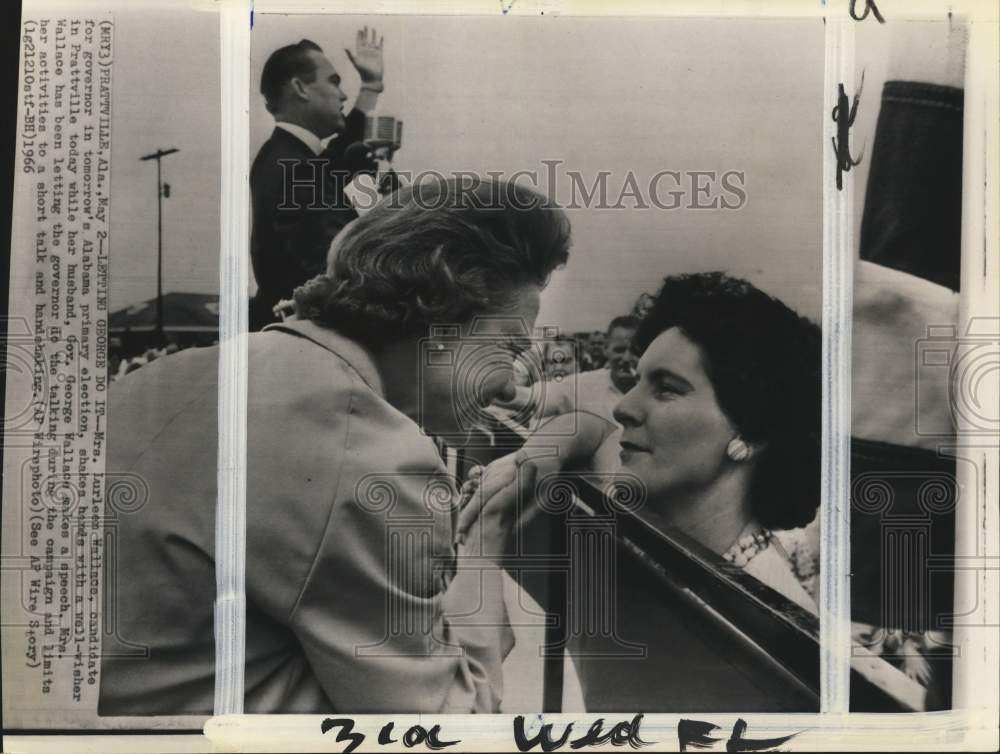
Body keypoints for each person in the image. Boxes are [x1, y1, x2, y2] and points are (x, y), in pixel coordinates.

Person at [99, 178, 571, 714]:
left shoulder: (178, 371)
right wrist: (485, 542)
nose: (509, 385)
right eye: (508, 348)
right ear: (443, 321)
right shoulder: (374, 456)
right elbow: (447, 728)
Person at [462, 272, 821, 611]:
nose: (622, 407)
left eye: (666, 389)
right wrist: (529, 461)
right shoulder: (648, 514)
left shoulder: (772, 614)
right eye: (637, 381)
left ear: (753, 431)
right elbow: (591, 429)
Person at [249, 30, 385, 331]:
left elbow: (339, 152)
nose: (344, 95)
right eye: (333, 81)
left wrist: (371, 87)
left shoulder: (286, 156)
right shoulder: (299, 167)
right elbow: (331, 268)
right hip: (307, 338)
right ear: (300, 88)